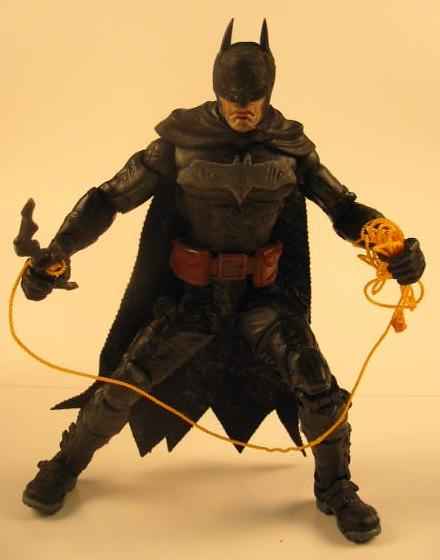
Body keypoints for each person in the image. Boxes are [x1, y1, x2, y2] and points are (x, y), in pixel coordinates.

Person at [20, 19, 425, 543]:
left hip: (263, 298)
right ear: (216, 90)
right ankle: (65, 464)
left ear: (268, 93)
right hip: (193, 298)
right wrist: (58, 253)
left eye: (252, 99)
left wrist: (390, 244)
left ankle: (336, 488)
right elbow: (108, 198)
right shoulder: (179, 144)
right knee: (125, 384)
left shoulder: (290, 149)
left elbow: (344, 209)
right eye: (233, 98)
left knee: (318, 387)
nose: (242, 109)